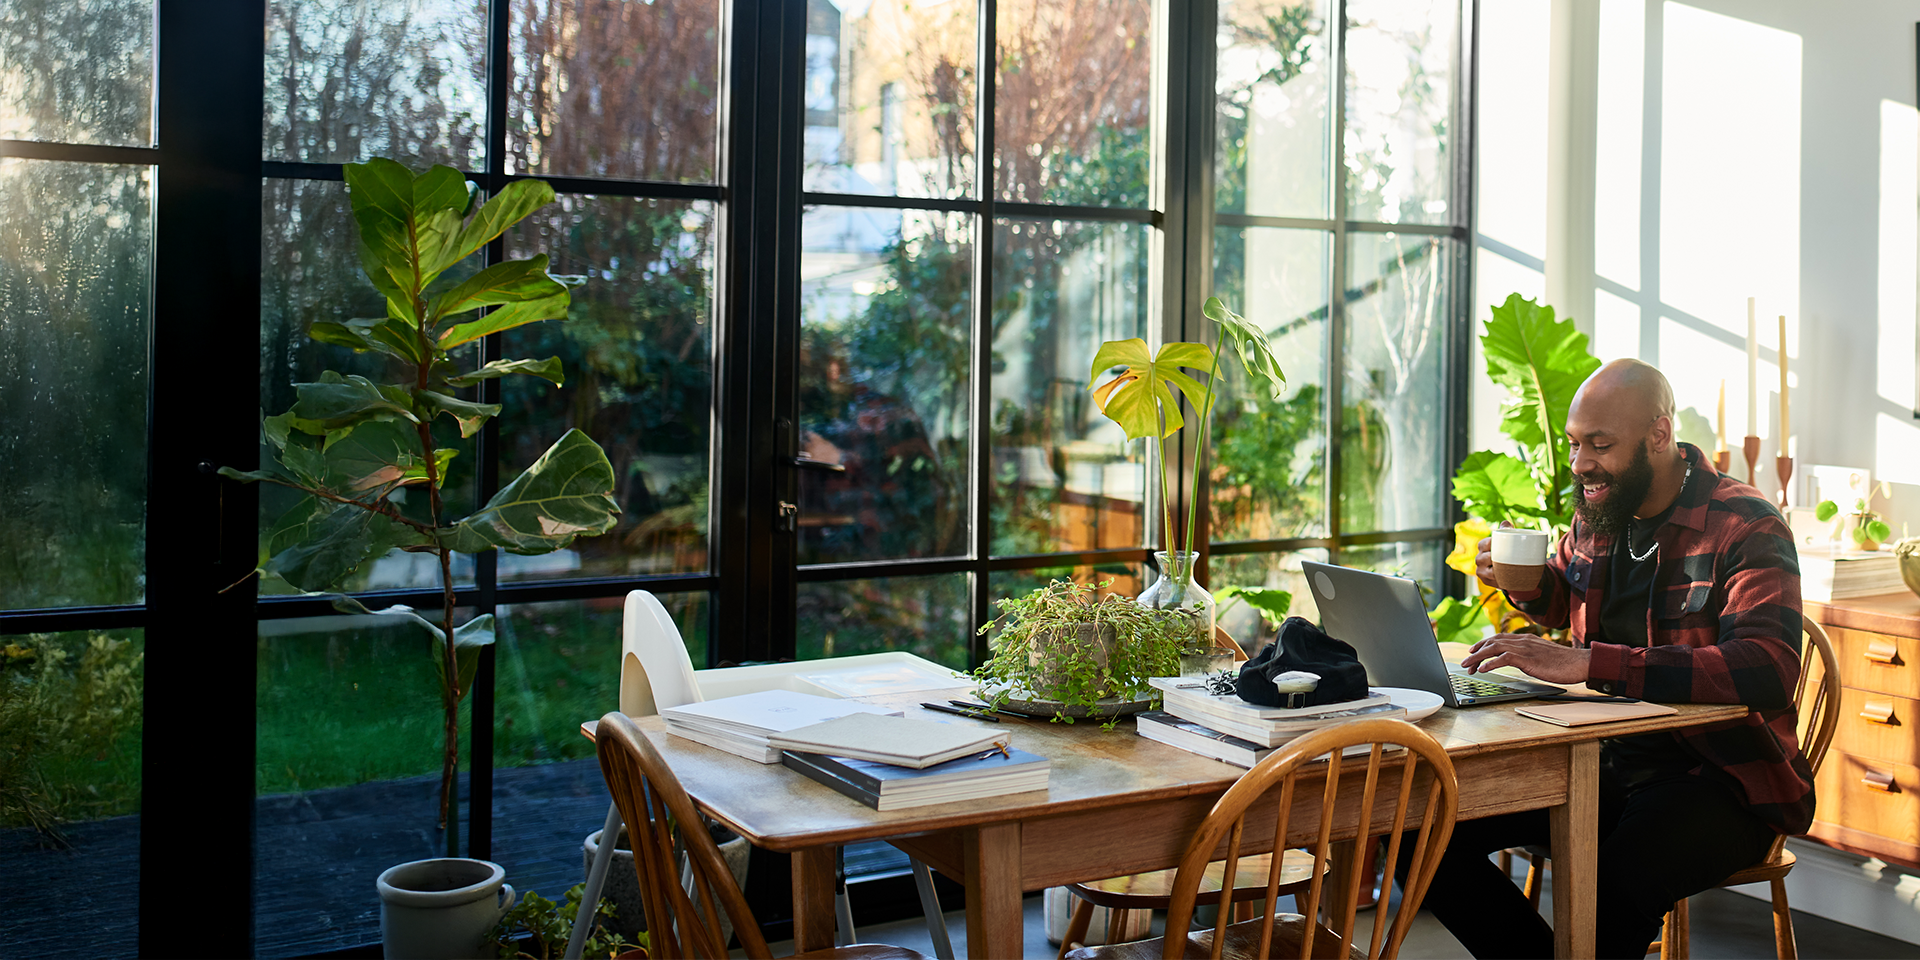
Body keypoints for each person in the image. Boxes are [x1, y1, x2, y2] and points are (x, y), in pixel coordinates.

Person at [1405, 358, 1814, 959]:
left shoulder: (1744, 523)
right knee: (1415, 831)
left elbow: (1768, 668)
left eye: (1600, 444)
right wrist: (1522, 582)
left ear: (1658, 434)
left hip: (1718, 778)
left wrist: (1593, 664)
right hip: (1596, 759)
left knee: (1618, 882)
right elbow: (1563, 597)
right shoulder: (1602, 513)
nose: (1579, 463)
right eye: (1574, 444)